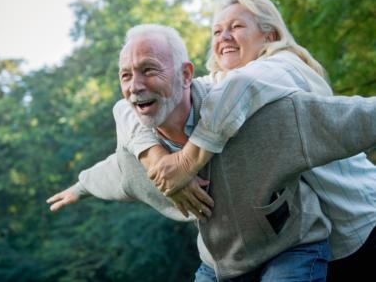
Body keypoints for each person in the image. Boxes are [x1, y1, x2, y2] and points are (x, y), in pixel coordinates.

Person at [47, 23, 376, 281]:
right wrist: (81, 185)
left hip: (292, 248)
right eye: (126, 75)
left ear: (186, 75)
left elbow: (349, 119)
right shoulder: (141, 157)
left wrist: (190, 160)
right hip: (222, 264)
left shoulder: (262, 117)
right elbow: (112, 173)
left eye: (149, 70)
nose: (135, 85)